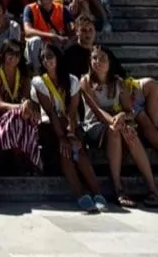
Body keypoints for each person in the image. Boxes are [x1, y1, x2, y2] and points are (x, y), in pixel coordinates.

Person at [80, 44, 158, 208]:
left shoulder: (119, 83)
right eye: (95, 58)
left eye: (103, 59)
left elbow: (129, 110)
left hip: (118, 123)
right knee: (115, 131)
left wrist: (123, 117)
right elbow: (97, 111)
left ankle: (153, 189)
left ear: (110, 62)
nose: (98, 62)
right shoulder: (85, 82)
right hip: (94, 126)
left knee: (129, 131)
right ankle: (118, 188)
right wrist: (115, 121)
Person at [32, 43, 106, 211]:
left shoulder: (71, 80)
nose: (46, 60)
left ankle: (97, 192)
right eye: (43, 57)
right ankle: (80, 193)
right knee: (64, 151)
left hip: (69, 123)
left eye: (50, 56)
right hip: (49, 126)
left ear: (58, 57)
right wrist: (62, 138)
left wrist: (71, 135)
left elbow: (72, 112)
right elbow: (50, 113)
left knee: (78, 149)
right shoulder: (39, 82)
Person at [0, 38, 43, 171]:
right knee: (18, 116)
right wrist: (20, 107)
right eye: (10, 53)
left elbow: (25, 99)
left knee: (29, 116)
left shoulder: (23, 74)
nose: (14, 57)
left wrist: (25, 104)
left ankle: (26, 156)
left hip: (21, 116)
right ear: (3, 54)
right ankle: (24, 157)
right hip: (1, 117)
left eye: (17, 54)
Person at [23, 0, 72, 73]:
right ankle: (36, 72)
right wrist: (52, 36)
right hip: (39, 45)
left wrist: (67, 37)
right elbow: (28, 31)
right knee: (34, 41)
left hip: (56, 45)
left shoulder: (61, 9)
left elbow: (71, 28)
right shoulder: (30, 8)